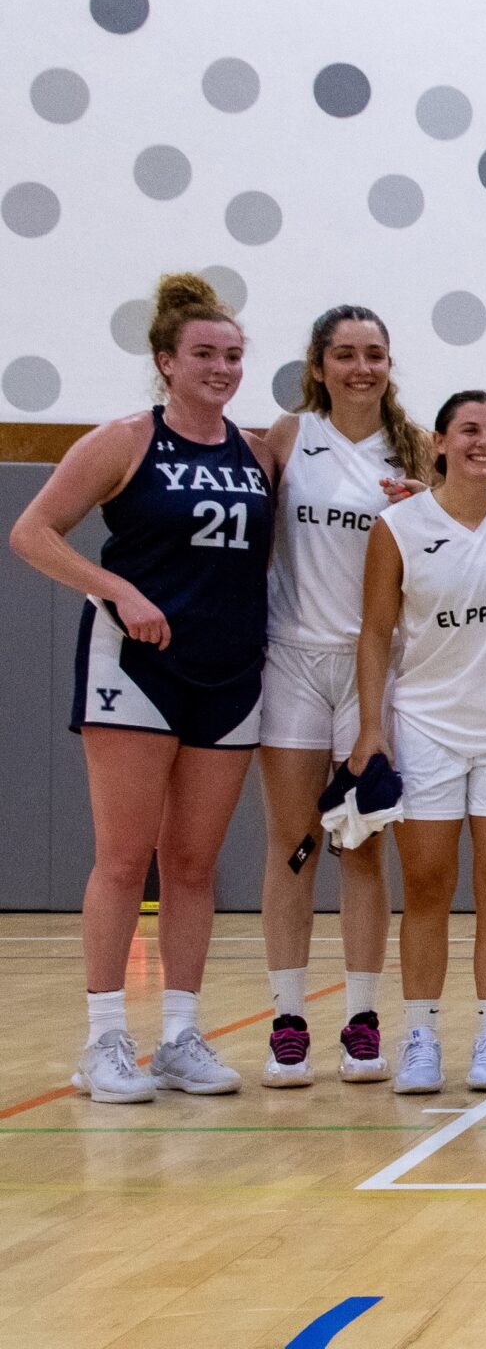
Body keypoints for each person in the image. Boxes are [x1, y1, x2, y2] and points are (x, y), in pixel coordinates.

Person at [13, 273, 274, 1104]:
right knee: (126, 858)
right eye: (204, 353)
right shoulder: (125, 440)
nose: (221, 367)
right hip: (136, 667)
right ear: (166, 360)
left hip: (232, 669)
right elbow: (31, 531)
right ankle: (102, 1041)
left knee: (193, 863)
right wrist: (114, 590)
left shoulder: (259, 449)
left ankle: (180, 1037)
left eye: (233, 355)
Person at [254, 305, 431, 1088]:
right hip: (293, 662)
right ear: (318, 364)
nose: (362, 367)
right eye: (346, 354)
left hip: (375, 674)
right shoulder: (287, 439)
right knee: (293, 845)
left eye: (375, 354)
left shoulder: (417, 449)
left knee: (360, 845)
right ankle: (287, 1019)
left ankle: (363, 1019)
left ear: (390, 363)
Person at [351, 391, 486, 1094]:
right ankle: (422, 1036)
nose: (483, 442)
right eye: (469, 430)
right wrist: (372, 728)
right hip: (427, 724)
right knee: (427, 887)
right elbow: (374, 633)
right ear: (439, 440)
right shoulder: (398, 524)